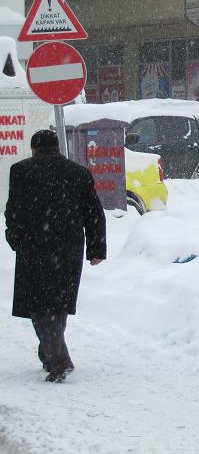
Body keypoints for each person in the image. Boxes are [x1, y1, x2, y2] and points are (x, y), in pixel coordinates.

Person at [4, 129, 106, 383]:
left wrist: (14, 239)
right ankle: (48, 353)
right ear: (58, 148)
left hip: (35, 247)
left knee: (39, 306)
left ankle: (59, 360)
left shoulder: (21, 171)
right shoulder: (79, 172)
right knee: (58, 303)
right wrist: (96, 249)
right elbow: (94, 212)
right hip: (69, 248)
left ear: (34, 149)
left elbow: (13, 211)